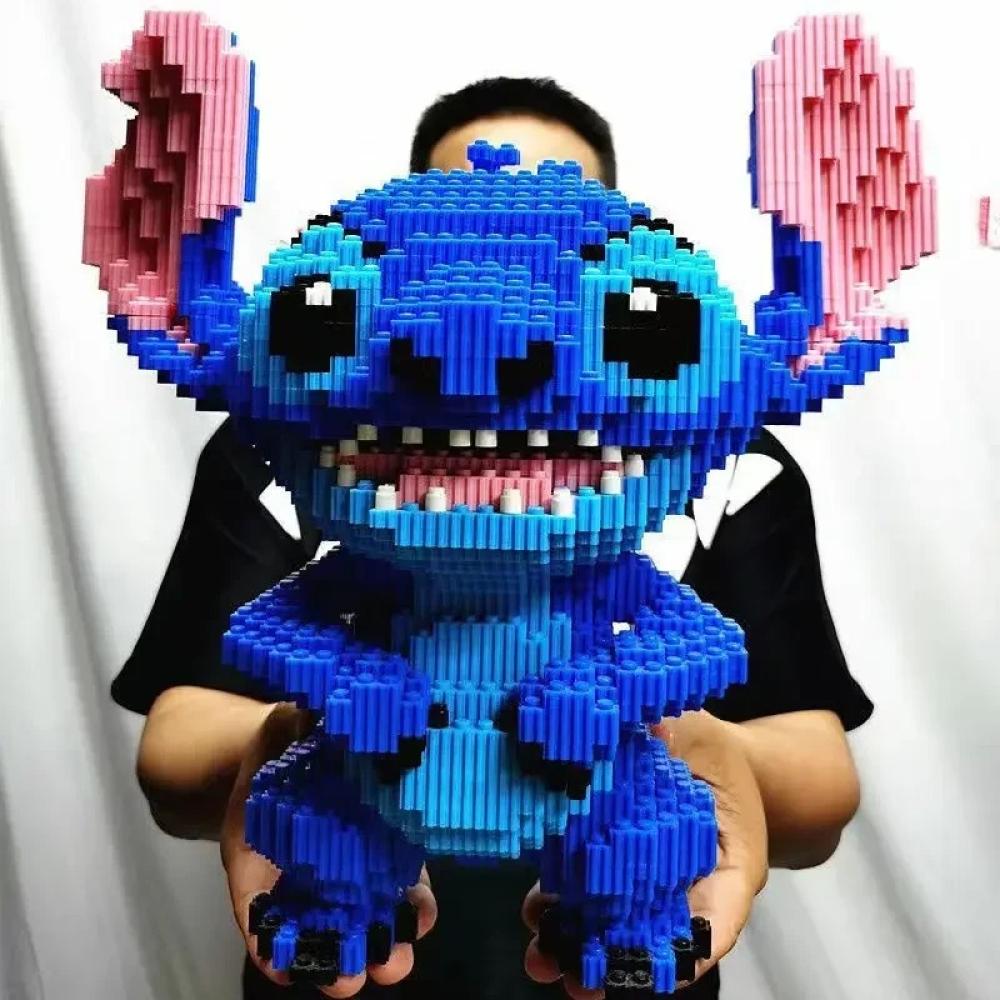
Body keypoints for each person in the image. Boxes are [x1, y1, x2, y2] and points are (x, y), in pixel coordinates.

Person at [113, 78, 872, 1000]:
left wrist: (629, 704)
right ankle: (334, 911)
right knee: (312, 807)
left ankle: (626, 924)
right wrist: (337, 695)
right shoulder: (279, 457)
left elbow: (732, 678)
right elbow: (220, 693)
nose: (482, 355)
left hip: (586, 779)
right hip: (372, 790)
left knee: (646, 819)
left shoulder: (735, 473)